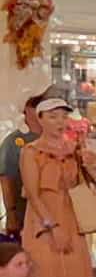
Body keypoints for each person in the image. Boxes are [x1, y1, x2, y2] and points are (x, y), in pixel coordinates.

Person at [21, 97, 96, 277]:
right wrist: (52, 226)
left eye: (62, 116)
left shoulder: (76, 148)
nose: (59, 122)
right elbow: (33, 194)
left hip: (74, 221)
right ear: (40, 120)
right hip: (43, 223)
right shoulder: (31, 151)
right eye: (52, 116)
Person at [0, 93, 45, 237]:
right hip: (24, 213)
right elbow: (7, 180)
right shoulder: (14, 141)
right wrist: (11, 214)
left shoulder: (55, 139)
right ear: (26, 109)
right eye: (36, 105)